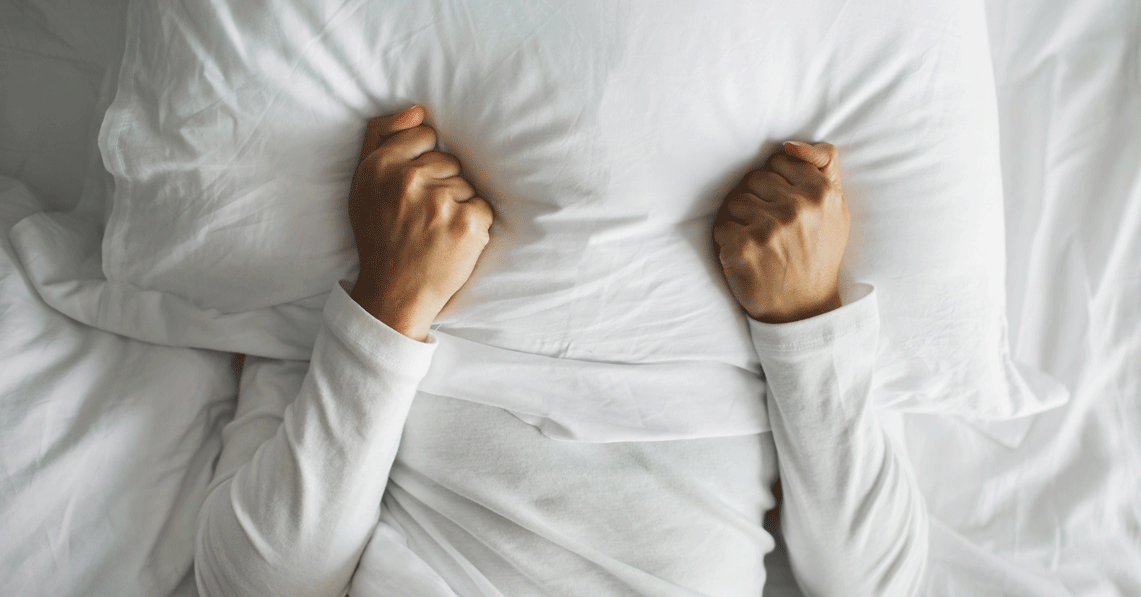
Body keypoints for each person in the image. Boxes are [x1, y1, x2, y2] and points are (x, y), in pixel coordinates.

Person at [194, 105, 928, 596]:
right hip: (730, 301)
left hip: (433, 290)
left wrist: (386, 303)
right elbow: (876, 581)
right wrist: (806, 319)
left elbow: (253, 581)